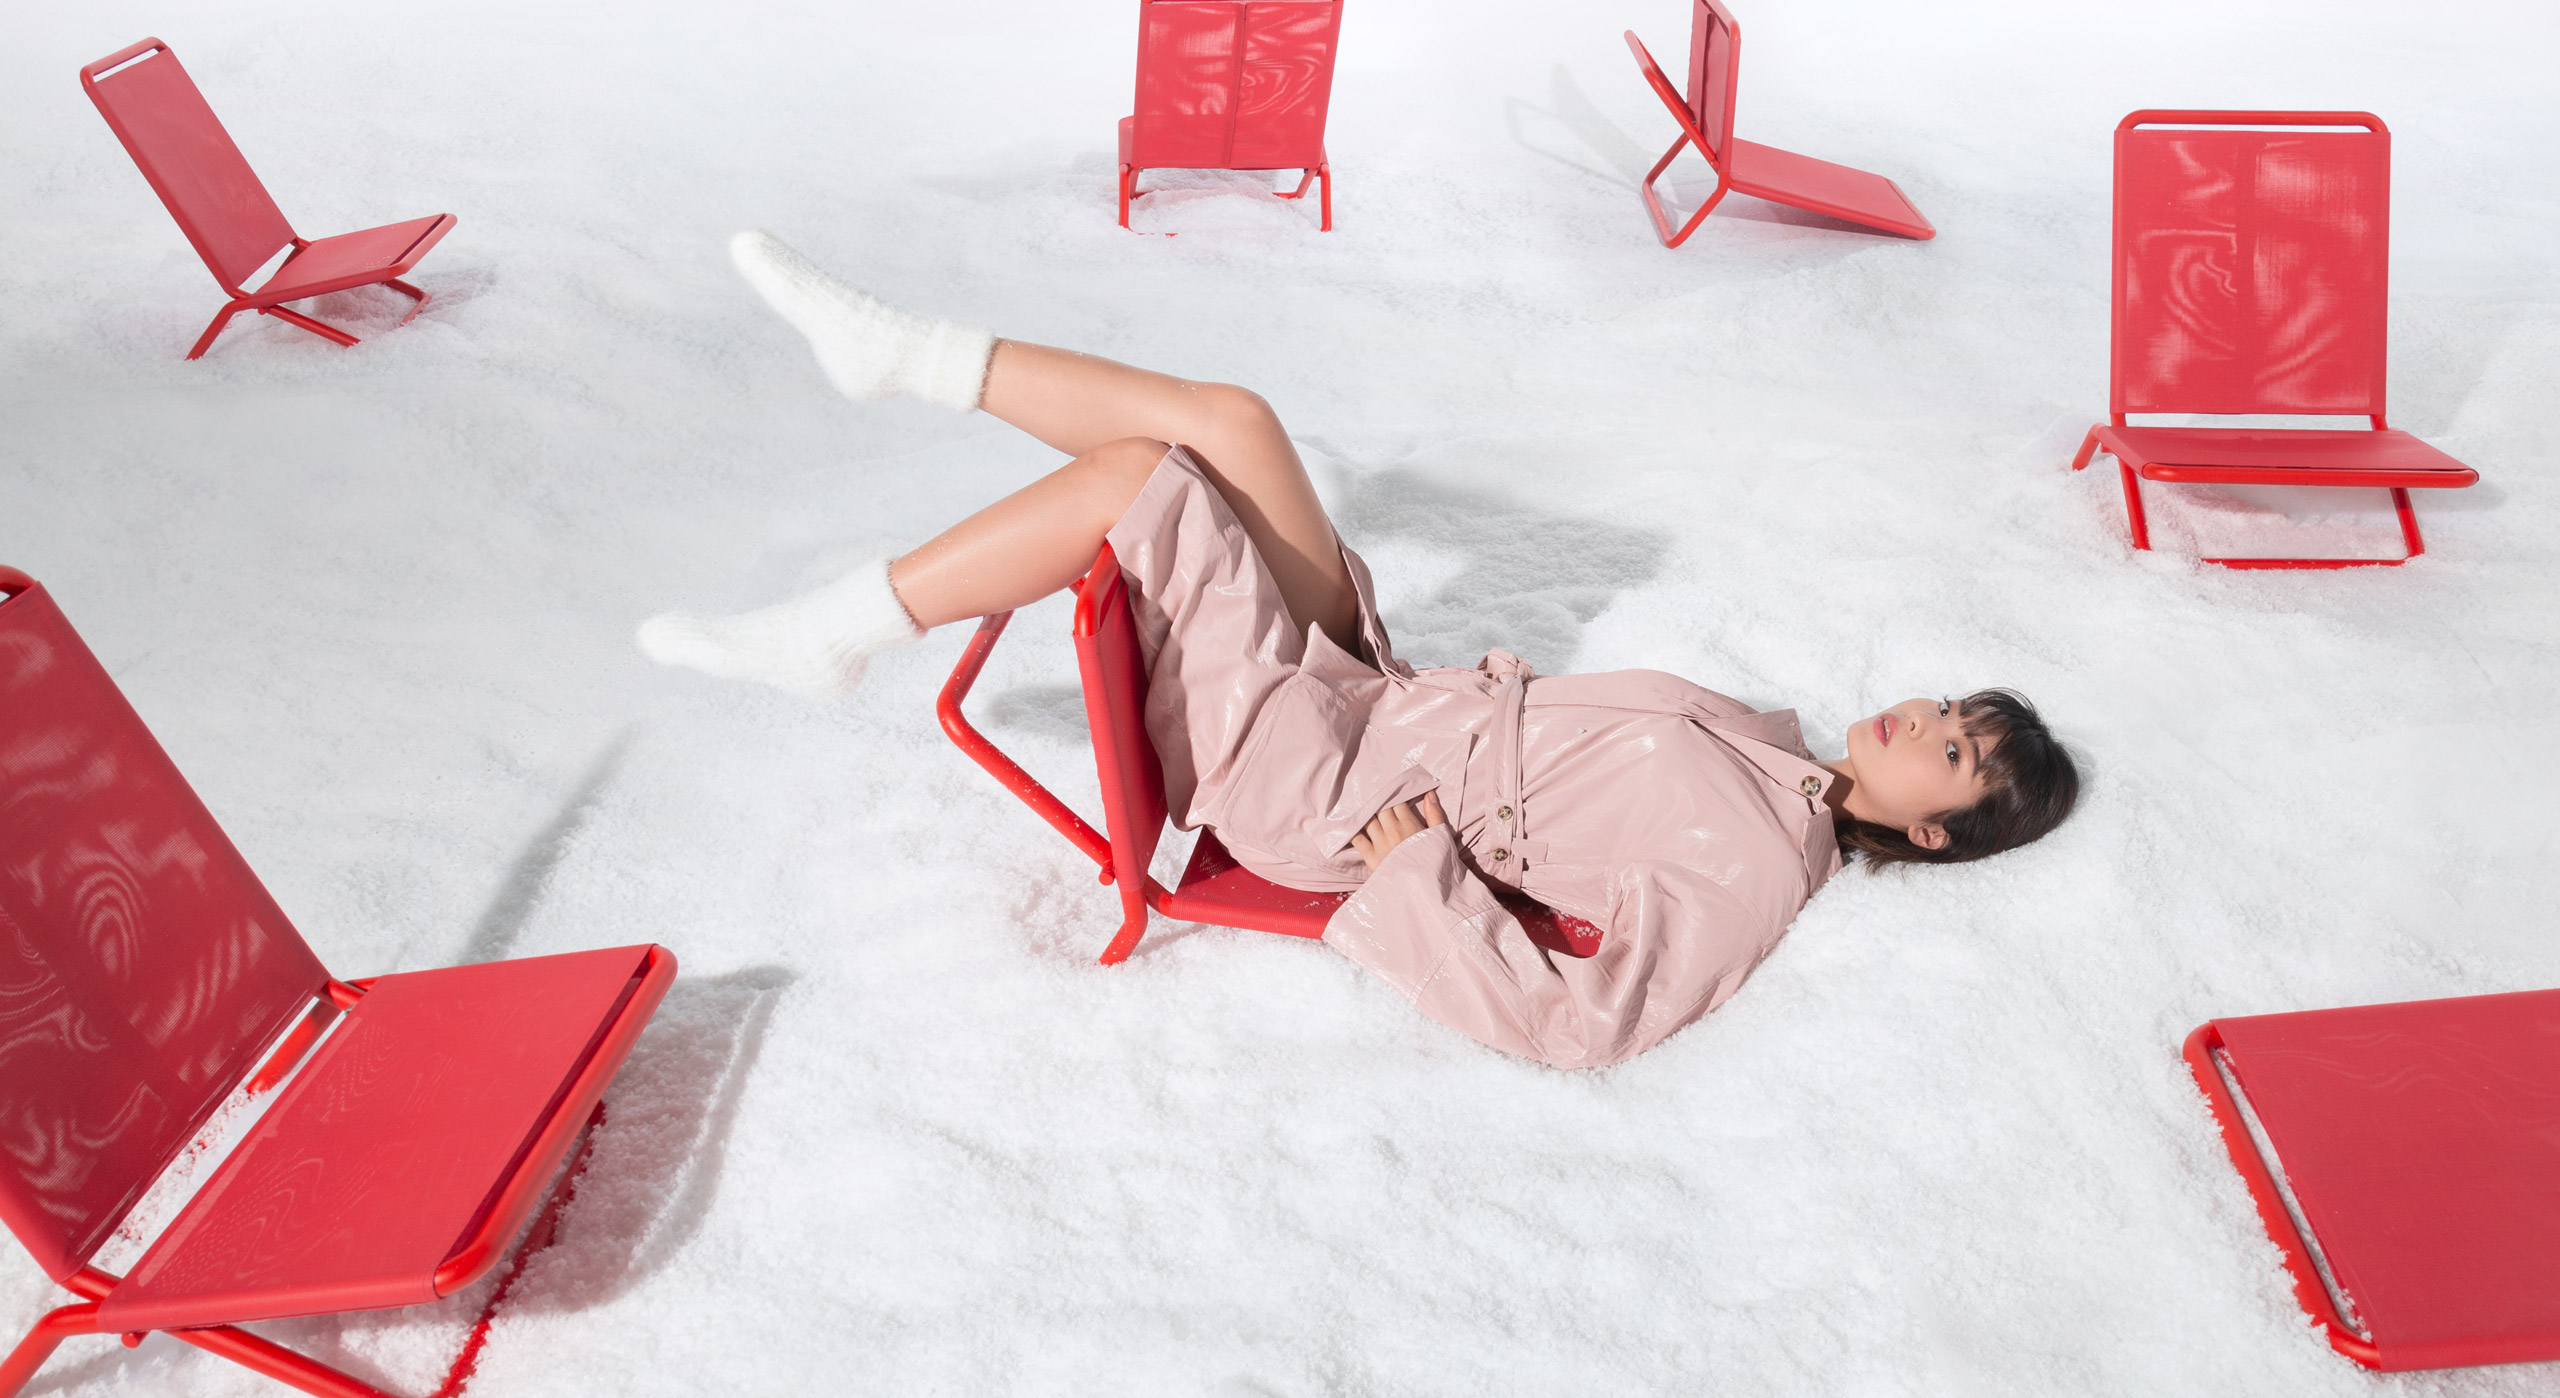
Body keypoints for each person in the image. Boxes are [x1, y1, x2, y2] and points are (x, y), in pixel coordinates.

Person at [640, 234, 2081, 1070]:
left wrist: (1419, 872)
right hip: (1381, 704)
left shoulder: (1760, 860)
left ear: (1934, 831)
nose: (1919, 718)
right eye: (1948, 706)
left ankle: (834, 633)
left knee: (1136, 481)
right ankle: (909, 355)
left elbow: (1583, 1027)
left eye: (1951, 750)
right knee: (1238, 422)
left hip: (1326, 789)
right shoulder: (1772, 749)